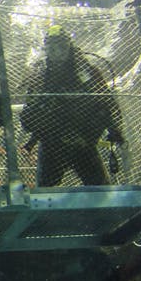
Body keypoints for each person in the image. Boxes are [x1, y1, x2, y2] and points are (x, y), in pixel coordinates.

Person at [19, 25, 125, 187]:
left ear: (69, 47)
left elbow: (107, 102)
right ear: (46, 50)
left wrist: (115, 128)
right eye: (52, 49)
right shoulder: (39, 77)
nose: (58, 53)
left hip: (83, 142)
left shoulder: (87, 73)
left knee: (101, 190)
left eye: (62, 47)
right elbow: (28, 116)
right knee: (45, 192)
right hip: (53, 145)